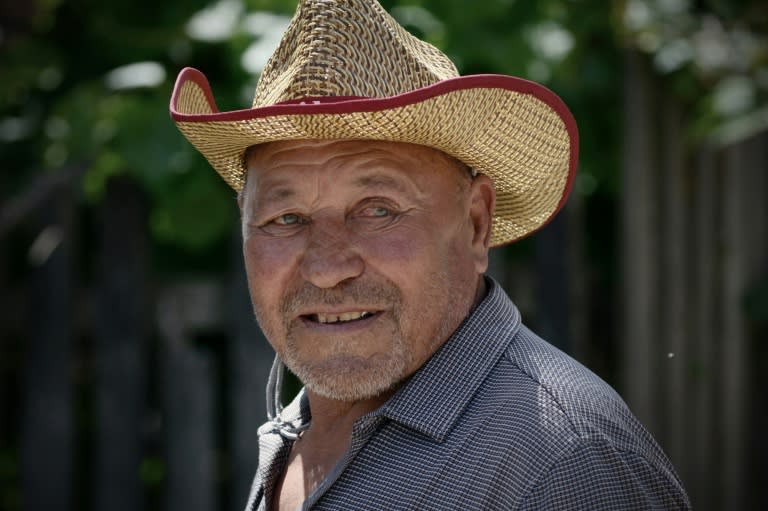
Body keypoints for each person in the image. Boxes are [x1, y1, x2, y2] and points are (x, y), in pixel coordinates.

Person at [170, 0, 691, 509]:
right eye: (285, 219)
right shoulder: (303, 426)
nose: (327, 269)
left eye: (377, 210)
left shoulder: (565, 461)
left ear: (475, 223)